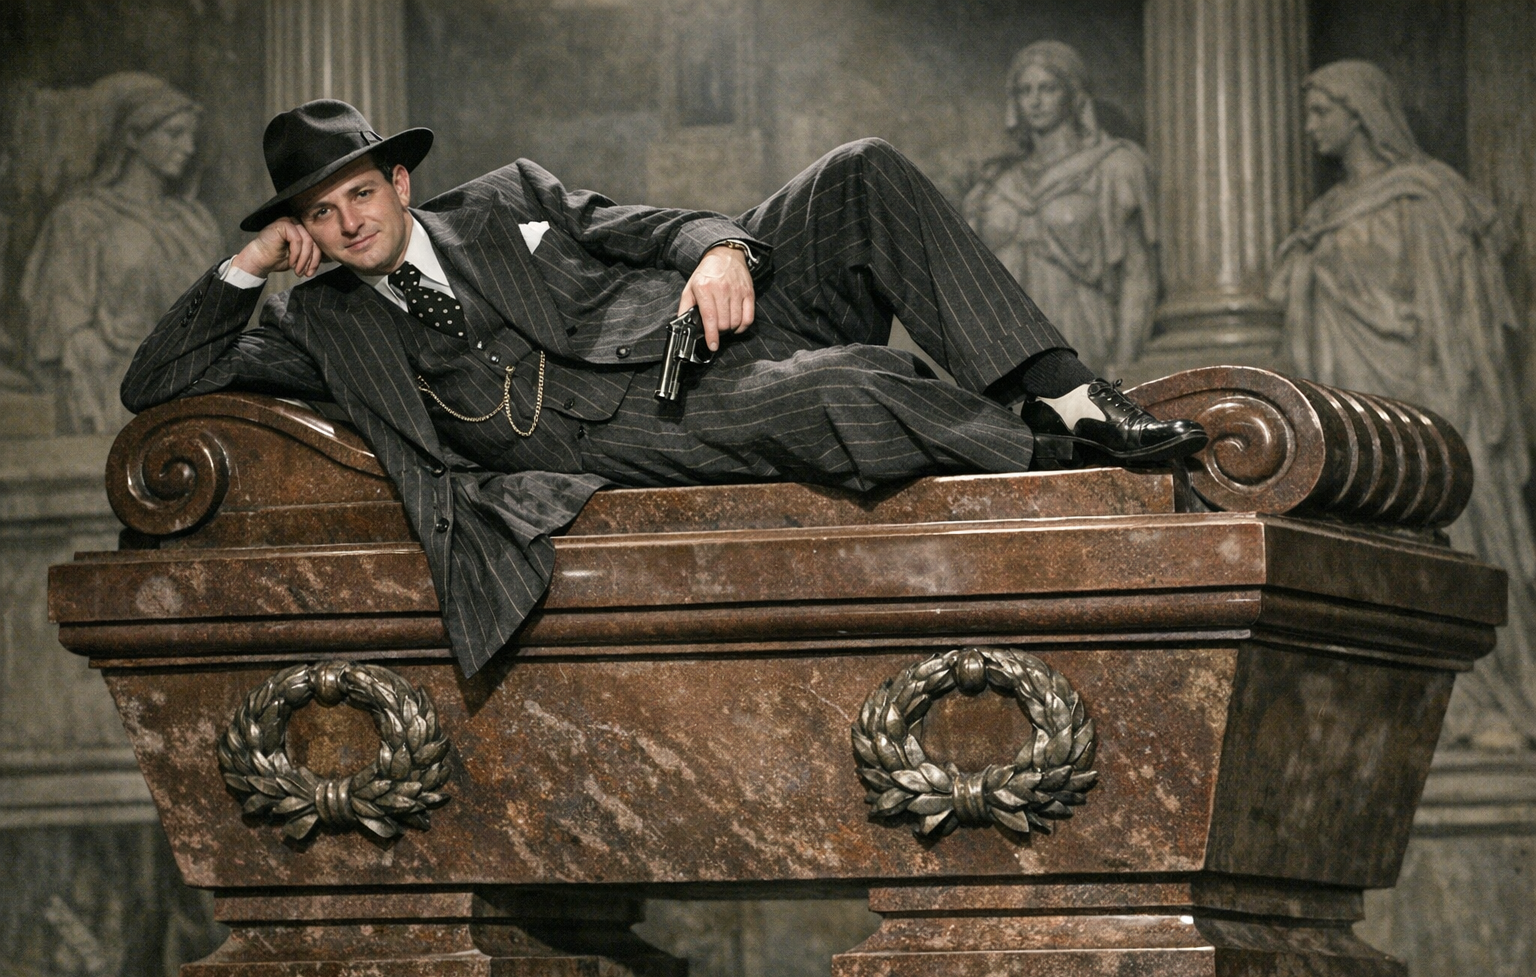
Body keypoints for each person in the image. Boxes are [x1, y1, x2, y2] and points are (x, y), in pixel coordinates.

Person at [123, 99, 1205, 678]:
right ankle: (1059, 463)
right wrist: (247, 266)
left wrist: (721, 251)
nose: (349, 223)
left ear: (398, 181)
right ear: (302, 230)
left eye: (359, 194)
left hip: (697, 316)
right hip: (635, 424)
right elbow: (159, 380)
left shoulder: (504, 200)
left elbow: (646, 227)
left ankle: (1064, 395)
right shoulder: (321, 326)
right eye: (319, 214)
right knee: (846, 387)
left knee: (859, 172)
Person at [1270, 60, 1536, 748]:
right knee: (1359, 547)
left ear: (1360, 112)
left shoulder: (1426, 196)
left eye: (1321, 111)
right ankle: (1392, 703)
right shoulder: (1323, 214)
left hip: (1423, 398)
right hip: (1346, 409)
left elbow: (1460, 318)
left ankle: (1481, 698)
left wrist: (1457, 398)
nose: (1310, 127)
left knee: (1448, 535)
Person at [22, 73, 220, 434]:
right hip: (114, 393)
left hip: (194, 392)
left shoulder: (196, 223)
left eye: (191, 136)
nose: (189, 147)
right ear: (132, 137)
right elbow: (65, 327)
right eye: (174, 134)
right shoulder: (81, 220)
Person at [963, 41, 1157, 373]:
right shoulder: (993, 184)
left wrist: (1126, 366)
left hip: (1084, 337)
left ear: (1073, 95)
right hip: (1006, 350)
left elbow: (1137, 274)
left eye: (1048, 88)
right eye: (1025, 91)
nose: (1035, 101)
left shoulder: (1113, 167)